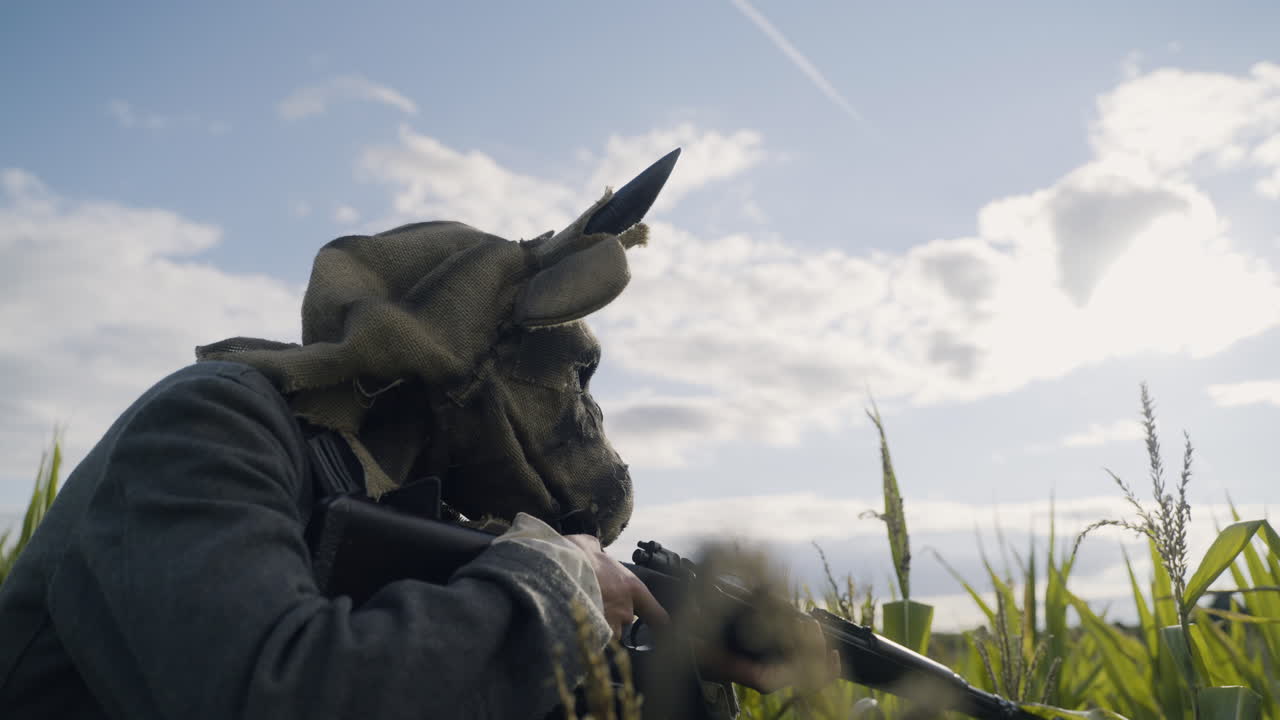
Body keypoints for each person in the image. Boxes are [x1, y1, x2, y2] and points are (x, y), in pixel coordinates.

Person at [0, 150, 821, 719]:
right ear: (466, 359)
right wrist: (555, 587)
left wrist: (653, 669)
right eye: (568, 375)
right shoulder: (210, 423)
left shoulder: (399, 505)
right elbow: (274, 694)